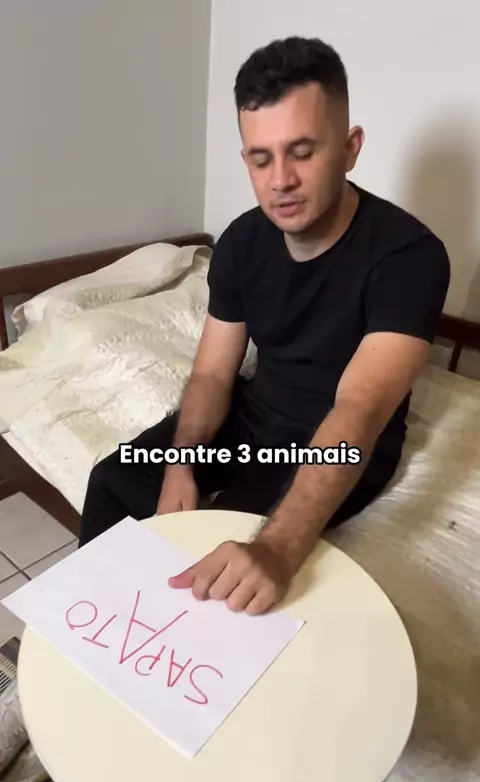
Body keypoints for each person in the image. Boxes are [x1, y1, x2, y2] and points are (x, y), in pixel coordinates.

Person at [79, 36, 450, 615]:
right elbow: (212, 373)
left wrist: (278, 549)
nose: (280, 180)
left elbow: (359, 411)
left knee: (224, 552)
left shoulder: (408, 257)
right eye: (261, 158)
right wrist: (182, 460)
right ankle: (87, 635)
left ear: (350, 149)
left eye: (302, 152)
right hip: (256, 418)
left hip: (337, 445)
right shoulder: (242, 242)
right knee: (115, 479)